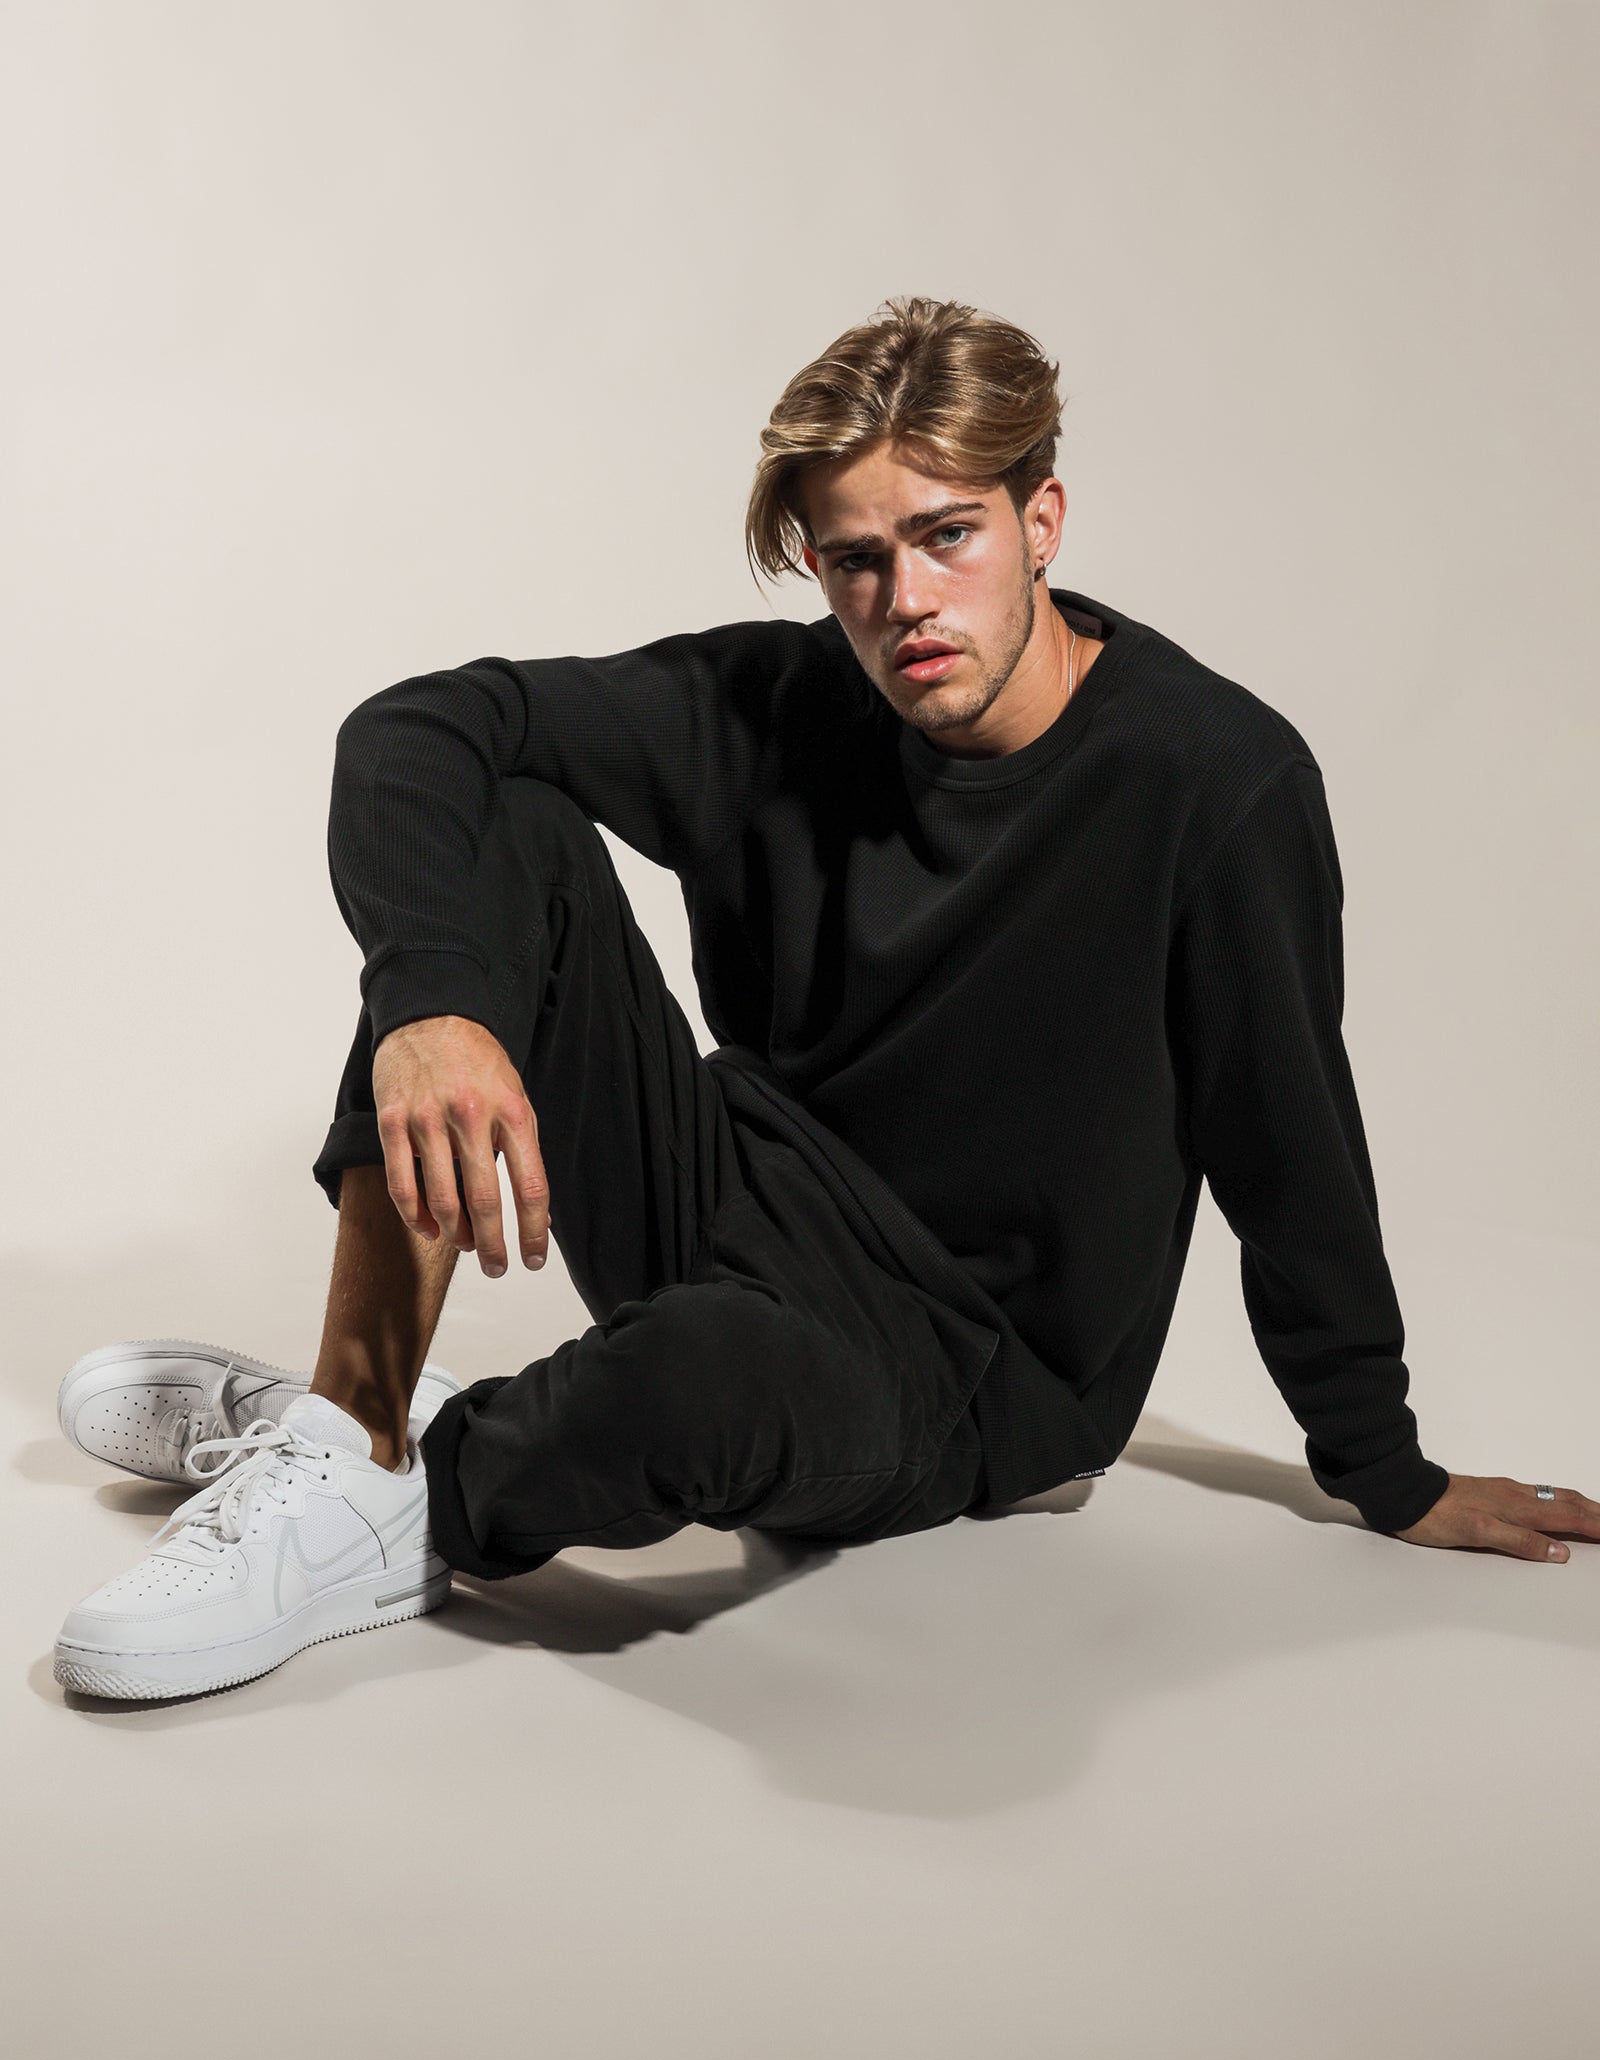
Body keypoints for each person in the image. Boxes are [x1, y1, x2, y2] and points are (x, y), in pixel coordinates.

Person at [53, 296, 1599, 1702]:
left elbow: (1290, 1145)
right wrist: (429, 1002)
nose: (905, 599)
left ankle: (372, 1481)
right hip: (734, 1197)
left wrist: (1385, 1467)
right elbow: (420, 730)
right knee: (505, 828)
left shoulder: (1213, 783)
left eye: (948, 536)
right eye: (857, 558)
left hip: (967, 1374)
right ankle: (349, 1424)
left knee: (693, 1379)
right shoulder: (787, 702)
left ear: (1042, 520)